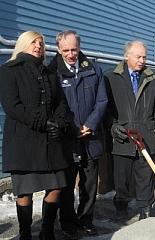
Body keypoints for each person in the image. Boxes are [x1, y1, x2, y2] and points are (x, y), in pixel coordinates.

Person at [0, 31, 70, 240]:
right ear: (23, 44)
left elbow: (61, 104)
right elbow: (12, 106)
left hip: (50, 141)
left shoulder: (49, 73)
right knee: (25, 192)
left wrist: (59, 122)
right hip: (23, 141)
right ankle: (25, 233)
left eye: (41, 43)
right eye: (33, 42)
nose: (39, 46)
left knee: (56, 187)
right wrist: (41, 121)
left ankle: (46, 232)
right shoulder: (9, 70)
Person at [48, 30, 107, 239]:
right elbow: (53, 106)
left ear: (80, 47)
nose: (71, 54)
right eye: (66, 50)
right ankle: (68, 223)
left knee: (89, 184)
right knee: (66, 185)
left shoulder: (93, 69)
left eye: (74, 49)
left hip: (91, 137)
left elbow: (102, 101)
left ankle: (86, 221)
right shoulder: (52, 71)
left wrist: (89, 124)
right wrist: (72, 128)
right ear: (58, 49)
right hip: (67, 139)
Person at [105, 40, 155, 220]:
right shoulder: (111, 77)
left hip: (146, 136)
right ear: (126, 56)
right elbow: (106, 109)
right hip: (123, 138)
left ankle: (145, 211)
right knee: (122, 179)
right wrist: (113, 126)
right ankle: (121, 207)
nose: (142, 60)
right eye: (138, 56)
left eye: (144, 57)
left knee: (145, 177)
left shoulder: (152, 78)